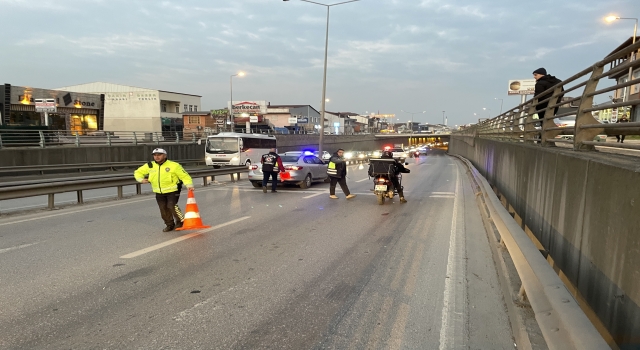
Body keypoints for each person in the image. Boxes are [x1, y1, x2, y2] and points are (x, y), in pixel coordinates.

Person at [134, 148, 194, 232]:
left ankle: (180, 221)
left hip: (173, 190)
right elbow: (138, 172)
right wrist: (140, 179)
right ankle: (169, 224)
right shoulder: (150, 165)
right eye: (155, 155)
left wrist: (189, 185)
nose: (157, 157)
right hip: (159, 191)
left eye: (159, 155)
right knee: (163, 209)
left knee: (172, 206)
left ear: (165, 155)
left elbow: (184, 176)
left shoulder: (174, 165)